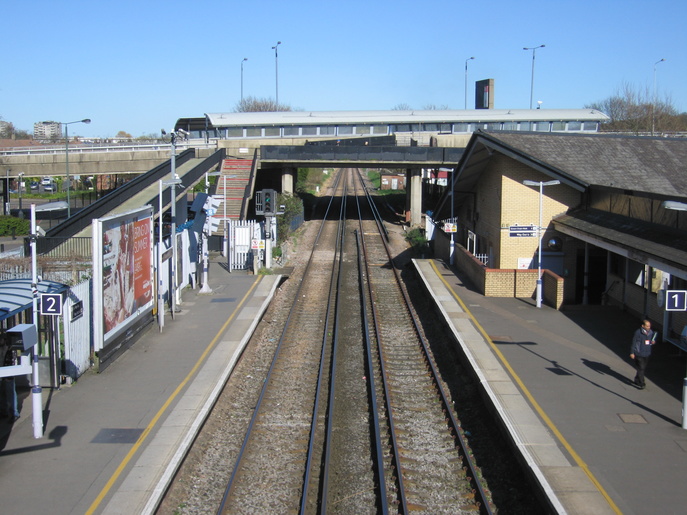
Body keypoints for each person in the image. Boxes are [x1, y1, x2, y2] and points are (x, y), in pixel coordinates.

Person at [630, 319, 657, 389]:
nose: (649, 327)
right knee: (641, 368)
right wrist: (632, 352)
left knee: (641, 368)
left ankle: (636, 379)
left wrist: (652, 342)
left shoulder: (651, 332)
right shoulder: (638, 333)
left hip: (647, 353)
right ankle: (642, 383)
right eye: (647, 326)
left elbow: (648, 342)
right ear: (643, 326)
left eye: (649, 326)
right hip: (639, 353)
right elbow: (634, 342)